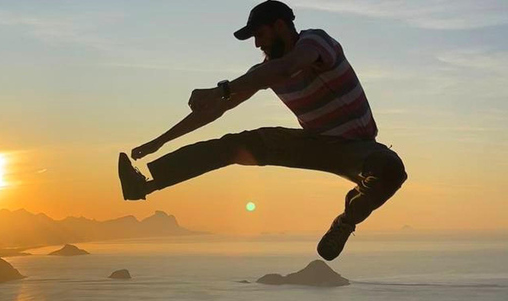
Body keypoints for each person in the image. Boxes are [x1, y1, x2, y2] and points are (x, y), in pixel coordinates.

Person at [117, 0, 407, 260]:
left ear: (280, 26)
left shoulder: (315, 42)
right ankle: (143, 185)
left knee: (391, 168)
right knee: (232, 146)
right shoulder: (265, 69)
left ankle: (346, 221)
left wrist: (223, 88)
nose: (257, 44)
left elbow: (287, 68)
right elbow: (216, 109)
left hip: (357, 148)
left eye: (260, 35)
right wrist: (159, 141)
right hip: (314, 143)